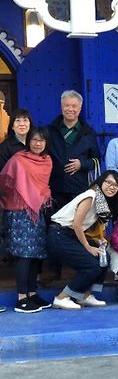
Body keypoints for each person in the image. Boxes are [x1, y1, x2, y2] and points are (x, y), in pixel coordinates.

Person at [47, 170, 118, 310]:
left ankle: (85, 296)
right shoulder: (91, 195)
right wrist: (88, 247)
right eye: (109, 183)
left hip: (71, 235)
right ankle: (61, 298)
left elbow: (89, 227)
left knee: (103, 258)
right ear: (101, 182)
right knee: (91, 265)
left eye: (116, 185)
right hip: (59, 234)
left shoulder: (102, 201)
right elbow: (76, 224)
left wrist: (100, 240)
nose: (112, 187)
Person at [0, 127, 52, 313]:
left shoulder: (47, 161)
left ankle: (32, 293)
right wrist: (17, 198)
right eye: (34, 140)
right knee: (25, 255)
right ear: (28, 141)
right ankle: (21, 298)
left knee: (36, 254)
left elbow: (43, 186)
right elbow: (5, 181)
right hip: (20, 213)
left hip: (38, 211)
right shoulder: (18, 160)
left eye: (42, 140)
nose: (38, 144)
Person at [48, 90, 101, 211]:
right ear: (61, 107)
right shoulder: (50, 131)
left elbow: (96, 160)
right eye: (67, 105)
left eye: (74, 106)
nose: (70, 109)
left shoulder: (89, 133)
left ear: (80, 108)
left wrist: (82, 164)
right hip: (55, 189)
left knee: (76, 226)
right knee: (55, 226)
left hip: (79, 189)